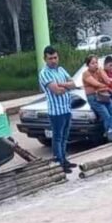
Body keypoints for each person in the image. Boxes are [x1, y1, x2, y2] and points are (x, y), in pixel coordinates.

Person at [38, 45, 78, 173]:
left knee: (65, 136)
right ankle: (59, 161)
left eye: (55, 57)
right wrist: (66, 86)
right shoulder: (44, 73)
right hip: (56, 111)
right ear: (45, 59)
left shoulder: (61, 70)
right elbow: (57, 91)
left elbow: (74, 84)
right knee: (58, 137)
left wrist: (62, 85)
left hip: (66, 108)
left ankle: (64, 159)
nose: (53, 61)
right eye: (50, 58)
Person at [82, 55, 112, 142]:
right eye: (92, 63)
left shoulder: (99, 71)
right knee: (106, 115)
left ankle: (110, 130)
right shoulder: (86, 74)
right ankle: (110, 134)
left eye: (96, 62)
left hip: (104, 94)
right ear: (88, 65)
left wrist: (101, 72)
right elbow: (96, 84)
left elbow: (107, 80)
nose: (95, 65)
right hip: (94, 97)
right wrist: (105, 86)